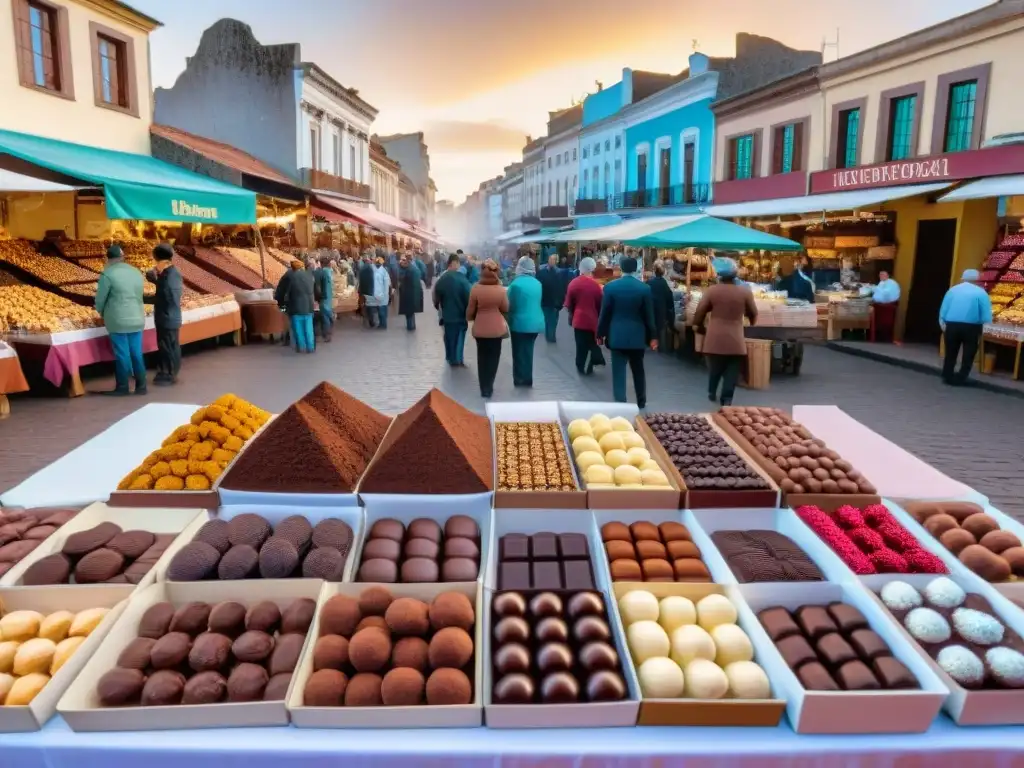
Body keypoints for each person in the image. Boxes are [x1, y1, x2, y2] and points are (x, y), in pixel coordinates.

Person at [693, 257, 758, 406]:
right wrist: (752, 323)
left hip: (714, 336)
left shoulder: (712, 291)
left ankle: (711, 390)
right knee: (732, 370)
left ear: (719, 276)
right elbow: (753, 312)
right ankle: (727, 398)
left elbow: (700, 311)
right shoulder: (745, 292)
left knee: (715, 368)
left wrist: (698, 325)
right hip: (736, 337)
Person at [597, 256, 656, 408]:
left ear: (621, 268)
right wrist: (653, 337)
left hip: (616, 336)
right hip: (637, 337)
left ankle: (620, 402)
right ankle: (641, 400)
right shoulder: (644, 288)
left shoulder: (610, 287)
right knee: (638, 369)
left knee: (618, 370)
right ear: (635, 268)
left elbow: (605, 314)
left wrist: (600, 334)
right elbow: (649, 316)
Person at [96, 244, 147, 396]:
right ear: (122, 257)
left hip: (118, 319)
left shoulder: (107, 274)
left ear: (108, 258)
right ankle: (141, 386)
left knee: (122, 354)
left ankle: (123, 386)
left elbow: (100, 299)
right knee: (137, 353)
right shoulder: (135, 272)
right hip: (137, 317)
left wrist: (101, 311)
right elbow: (140, 293)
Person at [939, 269, 993, 386]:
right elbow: (985, 313)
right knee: (969, 352)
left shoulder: (953, 290)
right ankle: (961, 377)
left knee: (951, 352)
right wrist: (986, 323)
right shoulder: (981, 292)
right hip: (972, 327)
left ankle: (947, 374)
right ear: (977, 279)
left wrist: (943, 323)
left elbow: (944, 308)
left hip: (952, 325)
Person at [467, 259, 509, 397]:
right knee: (494, 357)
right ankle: (489, 385)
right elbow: (505, 308)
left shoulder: (475, 289)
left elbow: (470, 312)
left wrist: (473, 318)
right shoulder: (501, 290)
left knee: (482, 357)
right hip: (497, 329)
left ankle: (483, 386)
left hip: (480, 329)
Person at [506, 256, 545, 387]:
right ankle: (528, 378)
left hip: (519, 323)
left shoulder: (515, 284)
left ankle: (519, 379)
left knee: (518, 352)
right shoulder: (538, 283)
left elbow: (509, 305)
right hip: (535, 323)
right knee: (528, 351)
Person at [565, 256, 606, 375]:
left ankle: (580, 364)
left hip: (578, 319)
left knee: (580, 344)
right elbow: (600, 304)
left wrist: (572, 313)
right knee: (591, 343)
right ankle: (589, 365)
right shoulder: (596, 286)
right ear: (592, 269)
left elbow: (568, 303)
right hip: (592, 320)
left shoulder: (573, 283)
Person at [149, 243, 183, 385]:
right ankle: (172, 371)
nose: (155, 265)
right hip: (173, 316)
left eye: (156, 262)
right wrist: (156, 281)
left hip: (166, 316)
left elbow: (164, 297)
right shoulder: (175, 273)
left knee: (167, 346)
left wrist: (140, 297)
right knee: (173, 345)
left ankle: (168, 374)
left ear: (161, 261)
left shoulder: (166, 277)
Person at [433, 253, 472, 366]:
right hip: (460, 314)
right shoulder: (462, 279)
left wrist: (438, 307)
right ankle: (458, 359)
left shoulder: (442, 278)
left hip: (447, 315)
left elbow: (436, 295)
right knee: (460, 336)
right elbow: (469, 295)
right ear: (455, 263)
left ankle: (450, 357)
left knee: (449, 336)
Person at [278, 259, 316, 352]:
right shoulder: (308, 275)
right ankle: (310, 346)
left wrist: (282, 307)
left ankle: (301, 346)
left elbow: (280, 293)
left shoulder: (289, 276)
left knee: (297, 327)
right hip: (308, 306)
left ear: (292, 267)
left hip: (294, 307)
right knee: (308, 327)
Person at [646, 261, 675, 354]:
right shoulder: (664, 283)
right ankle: (658, 345)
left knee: (651, 325)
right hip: (661, 309)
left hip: (650, 308)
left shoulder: (649, 282)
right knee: (659, 327)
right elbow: (669, 298)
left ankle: (650, 342)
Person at [537, 254, 568, 343]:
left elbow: (563, 287)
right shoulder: (542, 273)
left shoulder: (560, 273)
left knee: (553, 320)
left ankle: (551, 335)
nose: (551, 261)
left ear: (557, 261)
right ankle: (550, 337)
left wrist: (562, 300)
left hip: (556, 301)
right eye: (550, 259)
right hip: (546, 300)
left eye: (553, 259)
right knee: (549, 319)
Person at [398, 254, 424, 331]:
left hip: (408, 294)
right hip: (413, 293)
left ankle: (410, 326)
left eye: (404, 261)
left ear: (408, 261)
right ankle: (412, 325)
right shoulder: (414, 268)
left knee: (409, 312)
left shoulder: (409, 270)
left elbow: (404, 282)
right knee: (411, 311)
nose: (403, 263)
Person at [366, 257, 392, 329]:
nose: (377, 264)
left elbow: (388, 284)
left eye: (379, 263)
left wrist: (387, 295)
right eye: (376, 263)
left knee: (382, 311)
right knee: (372, 309)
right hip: (373, 294)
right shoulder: (372, 270)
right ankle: (374, 322)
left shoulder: (384, 272)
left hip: (382, 294)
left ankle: (383, 324)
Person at [314, 254, 335, 342]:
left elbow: (319, 286)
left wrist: (319, 297)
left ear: (320, 263)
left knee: (325, 315)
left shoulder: (322, 272)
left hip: (324, 297)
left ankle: (327, 334)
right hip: (329, 296)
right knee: (327, 313)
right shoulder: (329, 271)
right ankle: (328, 331)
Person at [358, 253, 377, 328]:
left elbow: (361, 280)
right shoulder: (370, 267)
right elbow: (372, 279)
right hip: (370, 289)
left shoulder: (362, 268)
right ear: (368, 260)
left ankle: (365, 318)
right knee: (370, 306)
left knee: (365, 305)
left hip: (363, 289)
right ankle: (371, 321)